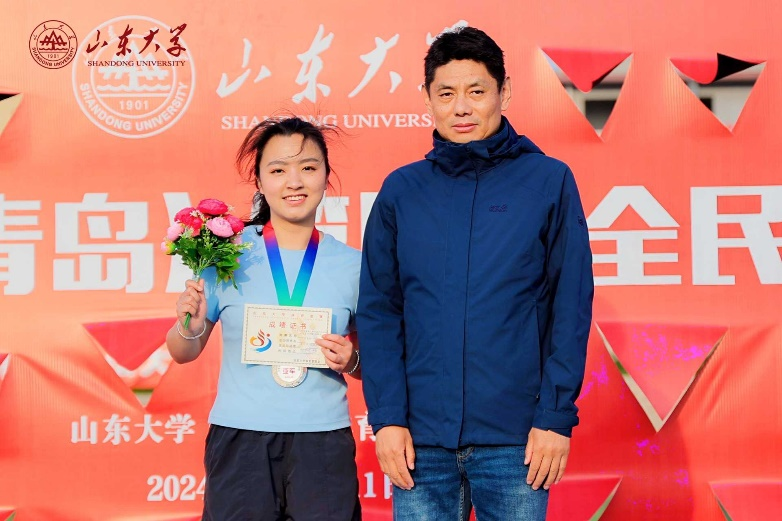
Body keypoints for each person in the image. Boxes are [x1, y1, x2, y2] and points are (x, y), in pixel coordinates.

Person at [357, 26, 594, 521]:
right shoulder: (402, 191)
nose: (461, 108)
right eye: (446, 94)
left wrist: (555, 417)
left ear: (504, 92)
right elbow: (380, 313)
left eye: (476, 91)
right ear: (427, 98)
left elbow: (569, 307)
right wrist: (388, 419)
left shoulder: (548, 181)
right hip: (420, 443)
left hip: (517, 440)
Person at [166, 117, 363, 521]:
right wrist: (190, 325)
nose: (294, 182)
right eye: (278, 170)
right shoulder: (227, 256)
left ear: (326, 177)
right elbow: (183, 352)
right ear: (259, 181)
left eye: (308, 167)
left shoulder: (355, 266)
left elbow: (376, 364)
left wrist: (352, 361)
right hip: (241, 441)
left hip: (322, 441)